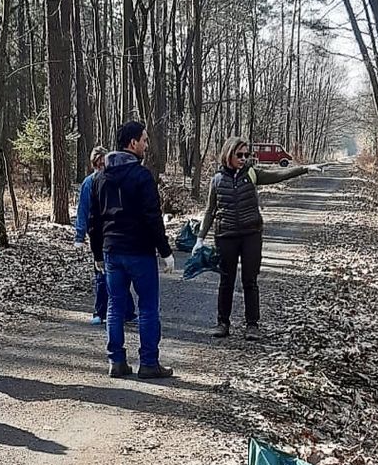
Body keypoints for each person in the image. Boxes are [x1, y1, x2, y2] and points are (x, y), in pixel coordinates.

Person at [195, 136, 321, 340]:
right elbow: (210, 210)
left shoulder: (252, 173)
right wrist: (200, 238)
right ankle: (222, 323)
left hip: (251, 234)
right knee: (226, 280)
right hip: (225, 235)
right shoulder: (216, 179)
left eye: (246, 154)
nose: (244, 158)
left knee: (250, 280)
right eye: (240, 155)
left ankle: (252, 325)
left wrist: (304, 168)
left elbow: (278, 174)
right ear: (229, 154)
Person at [88, 121, 175, 380]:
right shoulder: (142, 176)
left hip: (112, 252)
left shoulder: (100, 178)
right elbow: (153, 217)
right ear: (132, 143)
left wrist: (97, 254)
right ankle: (148, 363)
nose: (146, 146)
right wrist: (166, 251)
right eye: (144, 140)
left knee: (115, 305)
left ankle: (117, 361)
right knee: (148, 307)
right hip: (140, 252)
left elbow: (95, 221)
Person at [74, 146, 135, 326]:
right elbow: (83, 211)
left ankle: (128, 311)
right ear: (94, 165)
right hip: (97, 234)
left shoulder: (115, 180)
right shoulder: (89, 183)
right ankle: (100, 312)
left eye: (104, 164)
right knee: (101, 275)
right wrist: (79, 237)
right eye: (98, 165)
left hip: (115, 234)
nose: (101, 168)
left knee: (121, 275)